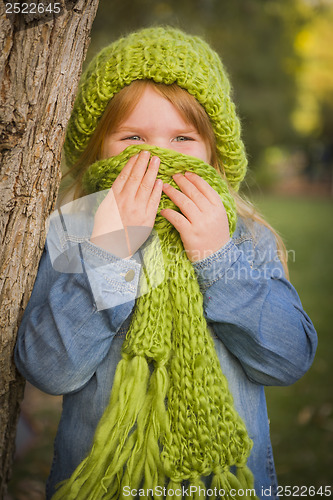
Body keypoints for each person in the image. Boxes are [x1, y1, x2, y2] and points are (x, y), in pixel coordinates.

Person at [14, 27, 317, 500]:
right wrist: (111, 250)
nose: (158, 156)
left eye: (182, 137)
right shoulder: (76, 231)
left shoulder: (243, 237)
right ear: (97, 148)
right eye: (133, 137)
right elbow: (51, 370)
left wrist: (217, 259)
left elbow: (288, 358)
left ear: (214, 153)